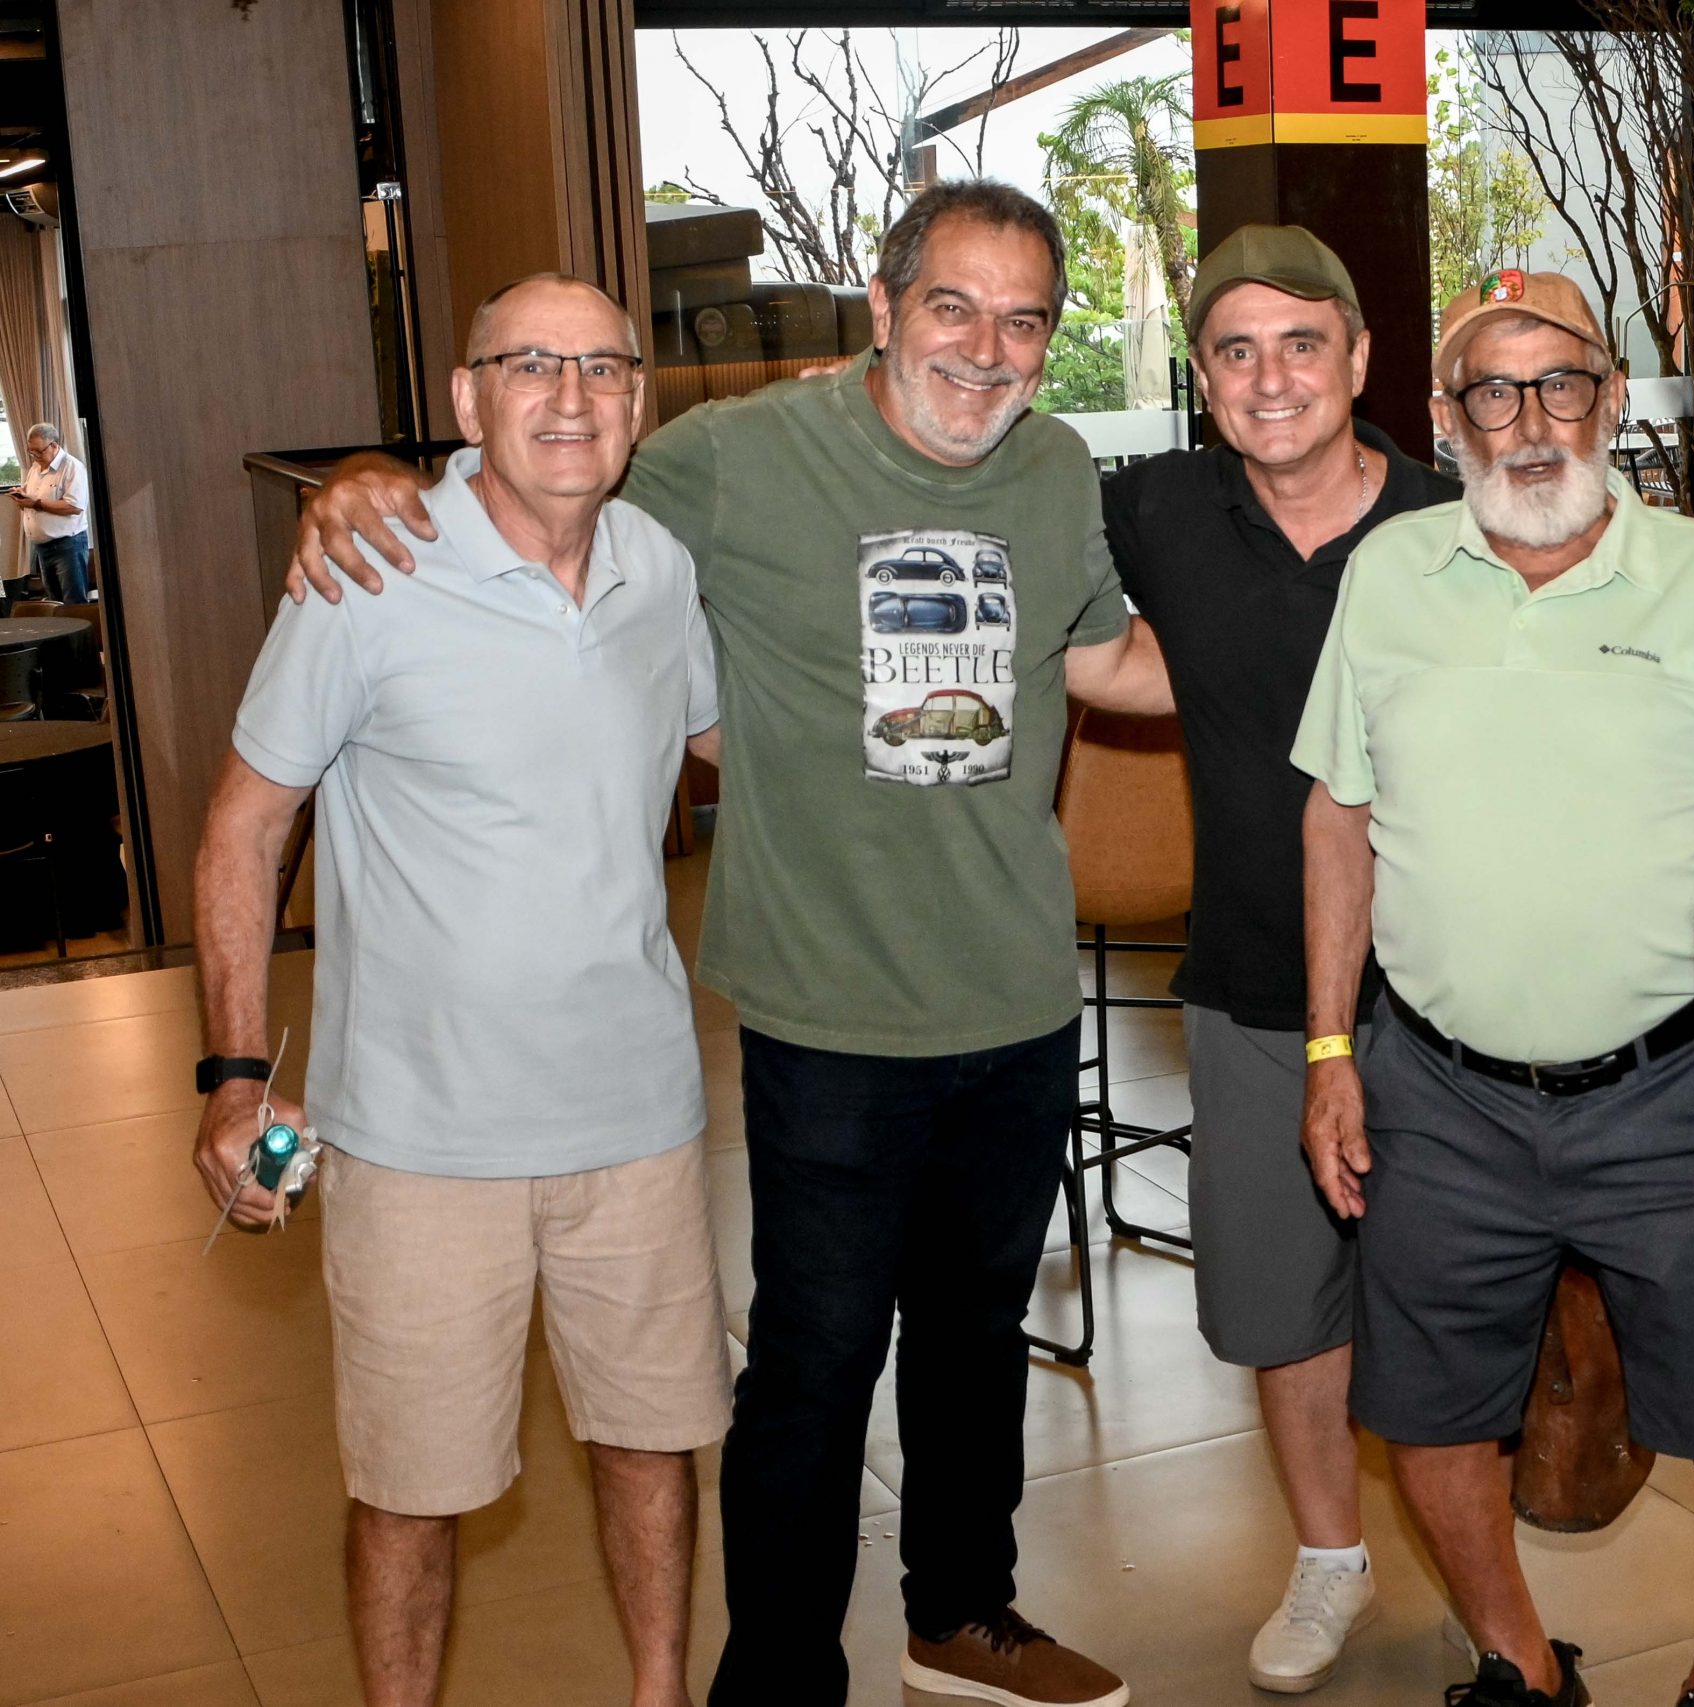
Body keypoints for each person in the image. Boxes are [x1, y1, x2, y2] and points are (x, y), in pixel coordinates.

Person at [288, 182, 1171, 1707]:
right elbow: (547, 468)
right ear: (884, 308)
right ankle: (776, 1675)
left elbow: (1102, 656)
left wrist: (1302, 638)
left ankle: (962, 1613)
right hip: (827, 1009)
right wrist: (379, 478)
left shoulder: (1051, 467)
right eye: (952, 307)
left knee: (976, 1339)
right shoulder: (739, 454)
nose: (986, 347)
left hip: (1015, 995)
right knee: (816, 1359)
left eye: (1023, 319)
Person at [194, 274, 730, 1707]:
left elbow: (727, 742)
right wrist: (234, 1079)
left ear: (638, 400)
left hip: (638, 1120)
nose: (569, 396)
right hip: (420, 1141)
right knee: (410, 1489)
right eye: (529, 364)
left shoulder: (657, 567)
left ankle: (660, 1692)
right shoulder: (371, 569)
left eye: (603, 367)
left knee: (652, 1438)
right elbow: (245, 826)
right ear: (465, 398)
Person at [1296, 269, 1694, 1707]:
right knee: (1425, 1412)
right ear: (1445, 415)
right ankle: (1522, 1665)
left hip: (1673, 1086)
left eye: (1561, 382)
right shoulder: (1389, 574)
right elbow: (1337, 816)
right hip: (1436, 1092)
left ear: (1613, 397)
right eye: (1492, 390)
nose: (1529, 422)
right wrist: (1331, 1050)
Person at [1099, 223, 1457, 1695]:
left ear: (1359, 358)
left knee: (1455, 1297)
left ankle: (1480, 1575)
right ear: (1202, 377)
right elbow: (979, 508)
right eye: (1235, 351)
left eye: (1301, 344)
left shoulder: (1451, 521)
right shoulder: (1157, 509)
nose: (1270, 378)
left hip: (1446, 993)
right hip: (1253, 977)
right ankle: (1329, 1557)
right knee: (1279, 1301)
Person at [12, 422, 92, 602]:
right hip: (42, 547)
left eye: (39, 451)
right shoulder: (35, 468)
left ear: (54, 445)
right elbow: (31, 499)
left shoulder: (71, 467)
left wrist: (36, 504)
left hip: (67, 545)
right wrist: (22, 498)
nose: (35, 456)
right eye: (31, 451)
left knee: (73, 603)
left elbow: (74, 507)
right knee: (53, 603)